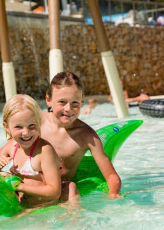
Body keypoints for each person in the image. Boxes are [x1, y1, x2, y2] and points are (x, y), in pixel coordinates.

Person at [42, 71, 122, 200]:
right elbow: (12, 149)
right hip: (32, 186)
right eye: (62, 102)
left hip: (62, 191)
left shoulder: (87, 136)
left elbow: (112, 176)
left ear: (82, 101)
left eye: (75, 103)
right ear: (49, 100)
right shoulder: (35, 123)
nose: (68, 108)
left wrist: (113, 192)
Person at [0, 94, 61, 208]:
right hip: (22, 205)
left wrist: (18, 186)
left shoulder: (44, 150)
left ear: (39, 122)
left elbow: (55, 192)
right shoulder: (12, 146)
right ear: (6, 127)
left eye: (32, 125)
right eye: (18, 127)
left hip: (43, 207)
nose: (26, 132)